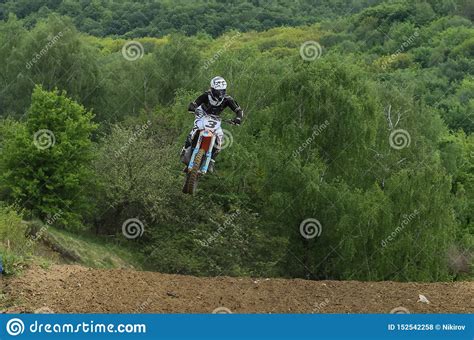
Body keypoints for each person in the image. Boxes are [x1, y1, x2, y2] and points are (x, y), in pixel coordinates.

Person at [181, 76, 243, 172]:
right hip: (202, 114)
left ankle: (211, 161)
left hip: (215, 119)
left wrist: (238, 118)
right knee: (194, 131)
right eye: (218, 91)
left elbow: (238, 110)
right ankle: (185, 150)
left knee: (220, 139)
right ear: (213, 89)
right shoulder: (206, 95)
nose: (221, 93)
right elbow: (194, 103)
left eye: (223, 90)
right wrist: (193, 108)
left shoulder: (227, 99)